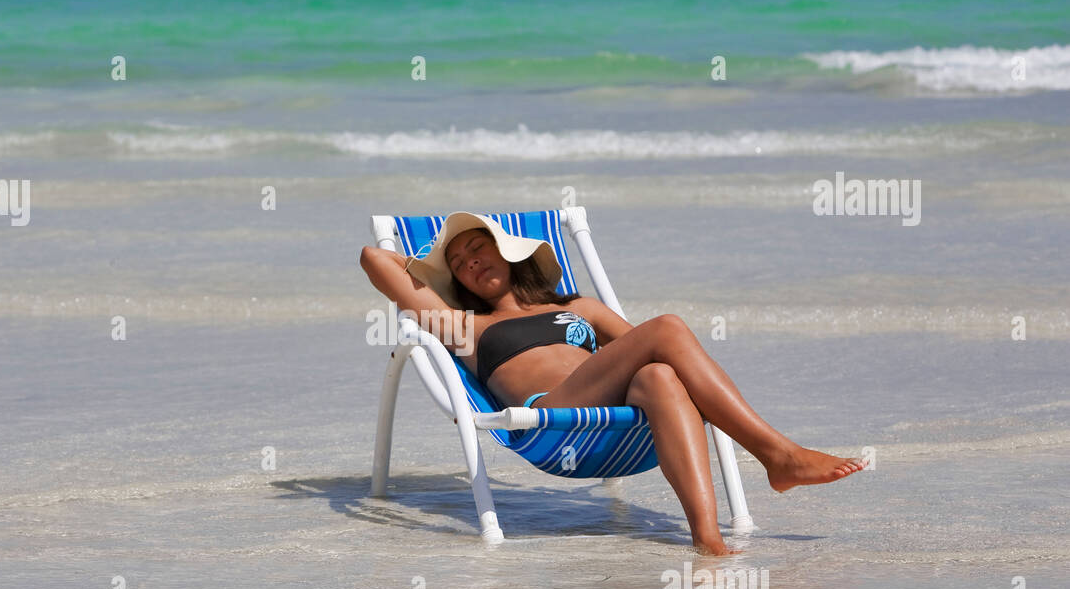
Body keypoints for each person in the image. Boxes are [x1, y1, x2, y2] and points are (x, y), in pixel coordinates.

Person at [360, 212, 867, 556]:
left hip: (613, 411)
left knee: (660, 373)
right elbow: (373, 259)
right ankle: (777, 455)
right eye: (459, 264)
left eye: (478, 248)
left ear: (510, 252)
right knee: (666, 327)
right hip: (553, 418)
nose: (469, 260)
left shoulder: (579, 307)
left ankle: (706, 537)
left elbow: (664, 355)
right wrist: (430, 267)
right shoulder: (464, 328)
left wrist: (644, 365)